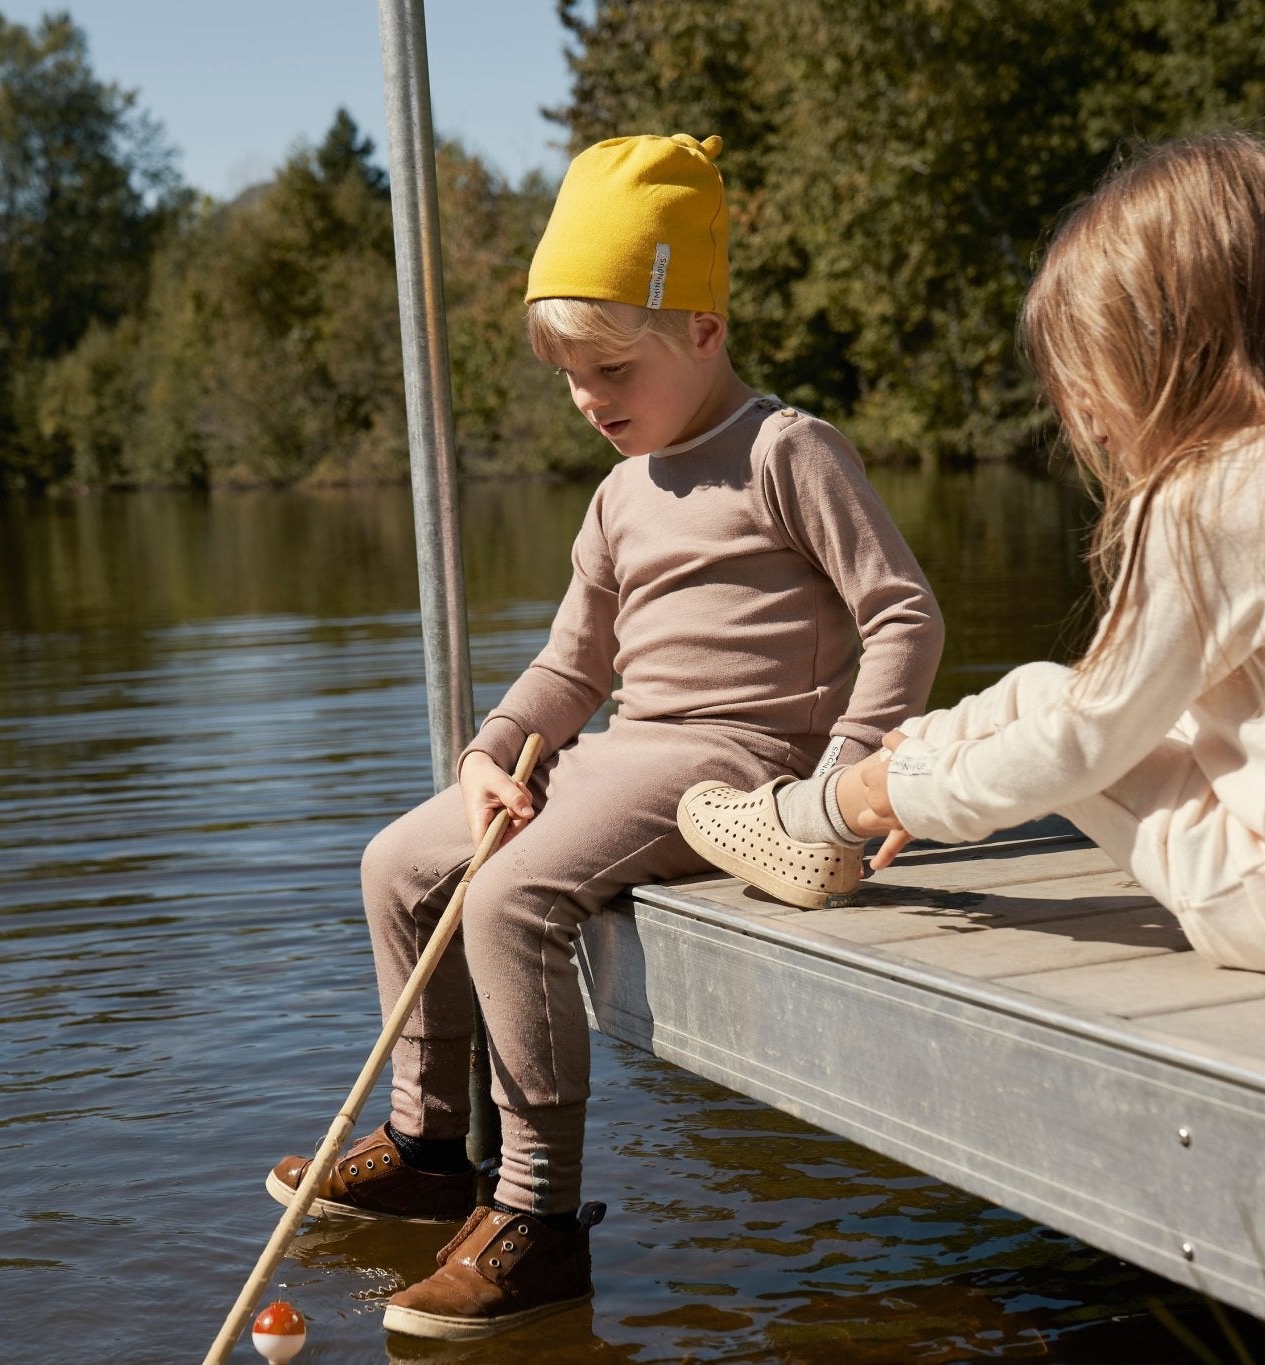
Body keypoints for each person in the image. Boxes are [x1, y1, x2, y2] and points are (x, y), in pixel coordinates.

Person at [264, 132, 944, 1341]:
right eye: (569, 376)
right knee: (398, 863)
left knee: (511, 893)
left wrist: (848, 778)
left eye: (610, 366)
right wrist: (491, 753)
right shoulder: (616, 495)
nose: (588, 398)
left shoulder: (788, 451)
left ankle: (536, 1222)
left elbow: (901, 612)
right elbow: (570, 664)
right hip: (618, 750)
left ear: (702, 327)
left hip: (736, 765)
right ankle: (429, 1150)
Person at [680, 130, 1265, 975]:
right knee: (1038, 693)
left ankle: (830, 807)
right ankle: (838, 796)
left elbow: (1085, 743)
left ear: (1169, 353)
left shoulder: (1218, 493)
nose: (1090, 421)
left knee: (1054, 716)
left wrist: (896, 793)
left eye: (1092, 379)